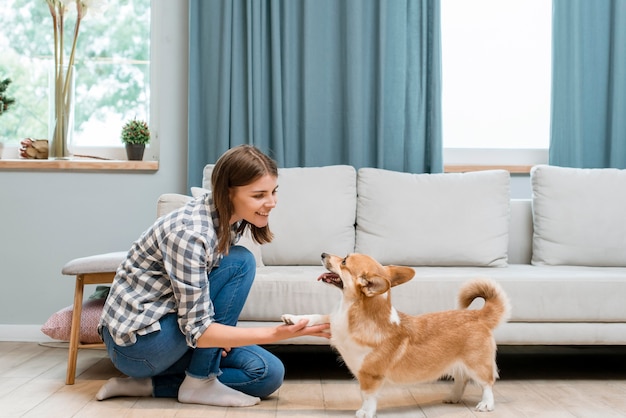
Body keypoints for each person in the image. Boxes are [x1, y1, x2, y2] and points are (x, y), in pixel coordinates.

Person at [96, 145, 330, 407]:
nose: (272, 202)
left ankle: (153, 385)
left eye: (273, 191)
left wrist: (218, 336)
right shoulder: (190, 234)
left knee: (267, 373)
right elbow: (198, 329)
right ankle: (200, 379)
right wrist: (277, 333)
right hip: (138, 345)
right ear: (228, 193)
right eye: (259, 195)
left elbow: (202, 302)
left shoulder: (226, 221)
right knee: (241, 261)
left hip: (175, 327)